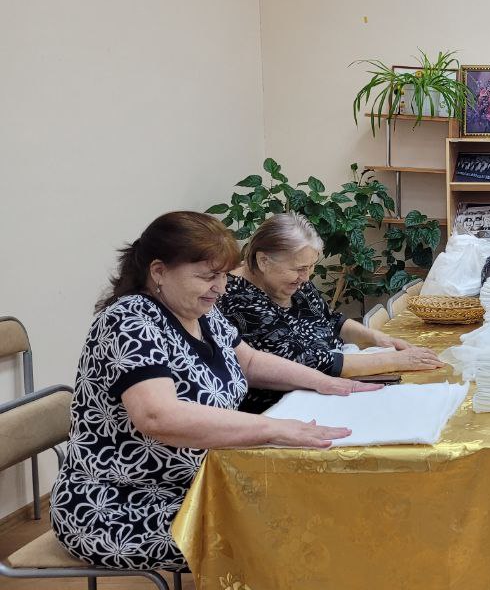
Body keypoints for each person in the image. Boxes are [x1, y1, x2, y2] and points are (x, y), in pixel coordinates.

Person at [50, 211, 379, 571]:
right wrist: (274, 428)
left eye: (222, 275)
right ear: (159, 271)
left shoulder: (200, 312)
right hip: (123, 505)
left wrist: (324, 381)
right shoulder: (129, 320)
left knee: (310, 504)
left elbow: (248, 361)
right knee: (287, 532)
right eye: (207, 276)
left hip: (197, 481)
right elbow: (158, 416)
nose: (220, 288)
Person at [218, 212, 445, 413]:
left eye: (311, 267)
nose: (306, 277)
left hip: (329, 387)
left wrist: (380, 339)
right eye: (299, 269)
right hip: (287, 407)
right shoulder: (237, 299)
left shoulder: (293, 279)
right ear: (263, 261)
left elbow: (330, 319)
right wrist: (393, 361)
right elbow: (305, 363)